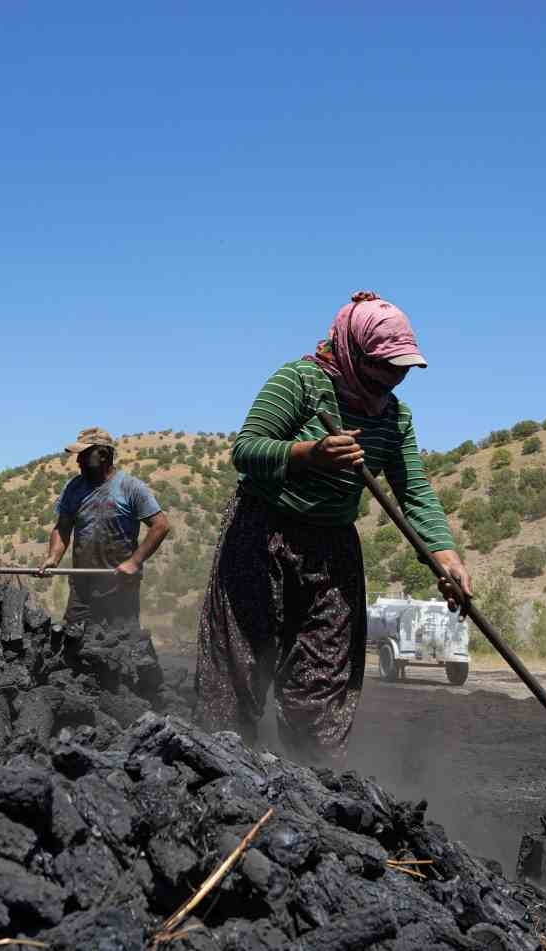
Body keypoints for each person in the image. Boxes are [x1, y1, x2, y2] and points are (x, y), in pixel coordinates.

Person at [195, 291, 473, 761]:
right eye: (384, 367)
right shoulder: (301, 381)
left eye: (402, 369)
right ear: (353, 352)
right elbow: (246, 450)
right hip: (262, 535)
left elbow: (414, 492)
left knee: (323, 675)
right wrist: (310, 454)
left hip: (331, 549)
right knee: (241, 664)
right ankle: (221, 770)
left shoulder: (396, 417)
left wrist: (445, 558)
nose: (393, 379)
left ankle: (316, 781)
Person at [38, 427, 170, 628]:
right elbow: (63, 527)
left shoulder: (130, 487)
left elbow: (160, 525)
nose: (78, 460)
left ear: (103, 455)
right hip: (82, 583)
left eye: (84, 455)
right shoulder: (74, 487)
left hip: (119, 583)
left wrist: (134, 562)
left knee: (119, 639)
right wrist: (53, 557)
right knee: (73, 636)